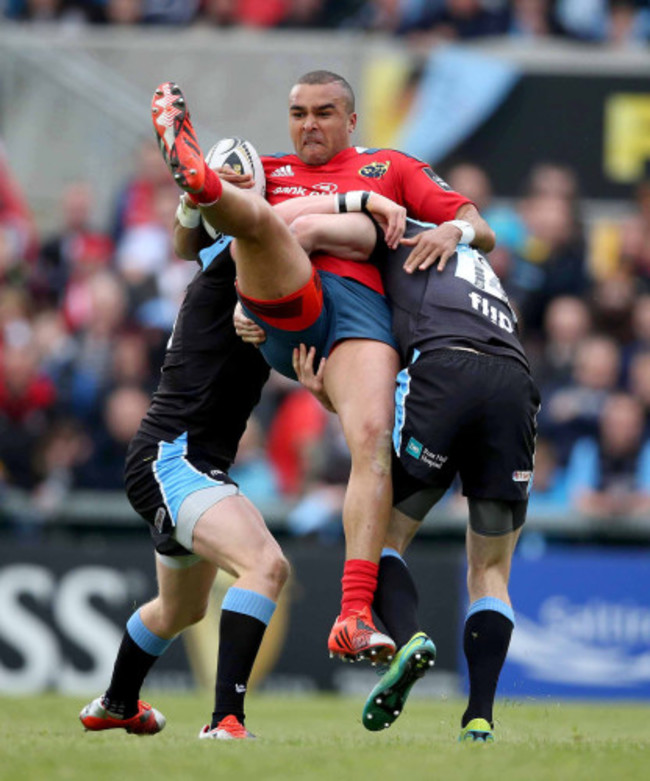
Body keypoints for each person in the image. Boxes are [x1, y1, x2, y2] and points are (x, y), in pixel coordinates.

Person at [150, 71, 495, 664]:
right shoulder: (266, 170)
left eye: (325, 112)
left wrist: (451, 230)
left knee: (369, 440)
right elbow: (188, 248)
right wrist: (194, 213)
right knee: (277, 225)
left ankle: (355, 614)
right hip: (283, 305)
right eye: (300, 113)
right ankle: (201, 188)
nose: (310, 124)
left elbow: (480, 228)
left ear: (352, 120)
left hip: (355, 322)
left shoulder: (392, 164)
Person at [242, 206, 538, 743]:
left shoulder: (387, 228)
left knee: (379, 535)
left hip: (444, 366)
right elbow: (482, 228)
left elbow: (300, 233)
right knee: (492, 568)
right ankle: (479, 718)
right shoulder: (467, 247)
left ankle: (408, 640)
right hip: (514, 380)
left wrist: (250, 308)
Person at [79, 177, 290, 740]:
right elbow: (205, 237)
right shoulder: (239, 257)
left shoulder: (232, 261)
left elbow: (188, 238)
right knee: (265, 566)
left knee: (180, 612)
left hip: (174, 459)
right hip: (176, 460)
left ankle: (117, 702)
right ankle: (226, 721)